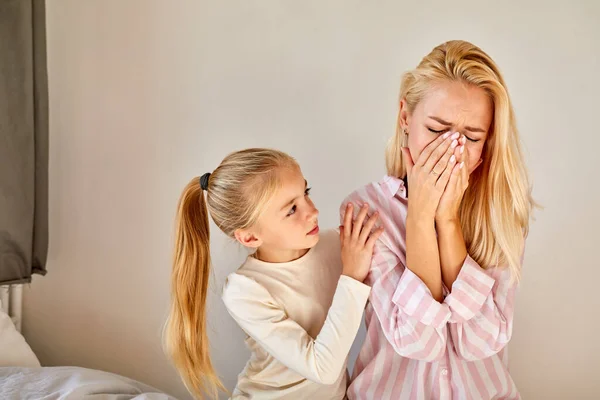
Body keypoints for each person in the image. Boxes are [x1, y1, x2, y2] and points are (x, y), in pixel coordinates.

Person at [342, 40, 537, 399]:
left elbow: (482, 341)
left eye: (471, 137)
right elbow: (418, 341)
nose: (451, 151)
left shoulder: (502, 211)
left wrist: (447, 222)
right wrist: (419, 218)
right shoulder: (366, 211)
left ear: (489, 141)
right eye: (436, 130)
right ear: (405, 117)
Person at [164, 148, 383, 399]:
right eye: (291, 209)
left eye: (306, 193)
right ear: (250, 237)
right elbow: (322, 369)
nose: (313, 211)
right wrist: (352, 276)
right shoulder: (245, 289)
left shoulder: (339, 246)